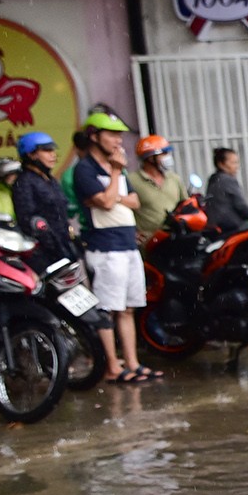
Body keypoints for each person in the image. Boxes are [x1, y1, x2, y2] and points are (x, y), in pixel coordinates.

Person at [73, 112, 158, 384]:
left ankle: (131, 362)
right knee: (108, 308)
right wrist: (116, 173)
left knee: (128, 308)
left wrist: (115, 191)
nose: (118, 141)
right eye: (111, 135)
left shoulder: (116, 168)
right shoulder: (85, 170)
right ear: (94, 137)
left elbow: (134, 201)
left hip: (127, 245)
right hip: (105, 247)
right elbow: (107, 203)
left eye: (120, 135)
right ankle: (111, 365)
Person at [10, 131, 77, 269]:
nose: (53, 154)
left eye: (52, 150)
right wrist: (51, 242)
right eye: (46, 150)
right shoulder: (24, 181)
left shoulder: (49, 180)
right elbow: (29, 219)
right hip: (43, 254)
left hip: (63, 246)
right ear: (31, 154)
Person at [133, 135, 183, 245]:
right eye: (164, 153)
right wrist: (133, 232)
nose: (168, 157)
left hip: (176, 239)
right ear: (151, 158)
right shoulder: (132, 181)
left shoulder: (174, 178)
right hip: (149, 243)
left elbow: (185, 204)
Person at [204, 148, 248, 235]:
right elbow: (240, 205)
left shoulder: (213, 179)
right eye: (233, 163)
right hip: (232, 225)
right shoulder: (228, 180)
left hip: (216, 226)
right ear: (221, 164)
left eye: (237, 162)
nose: (237, 166)